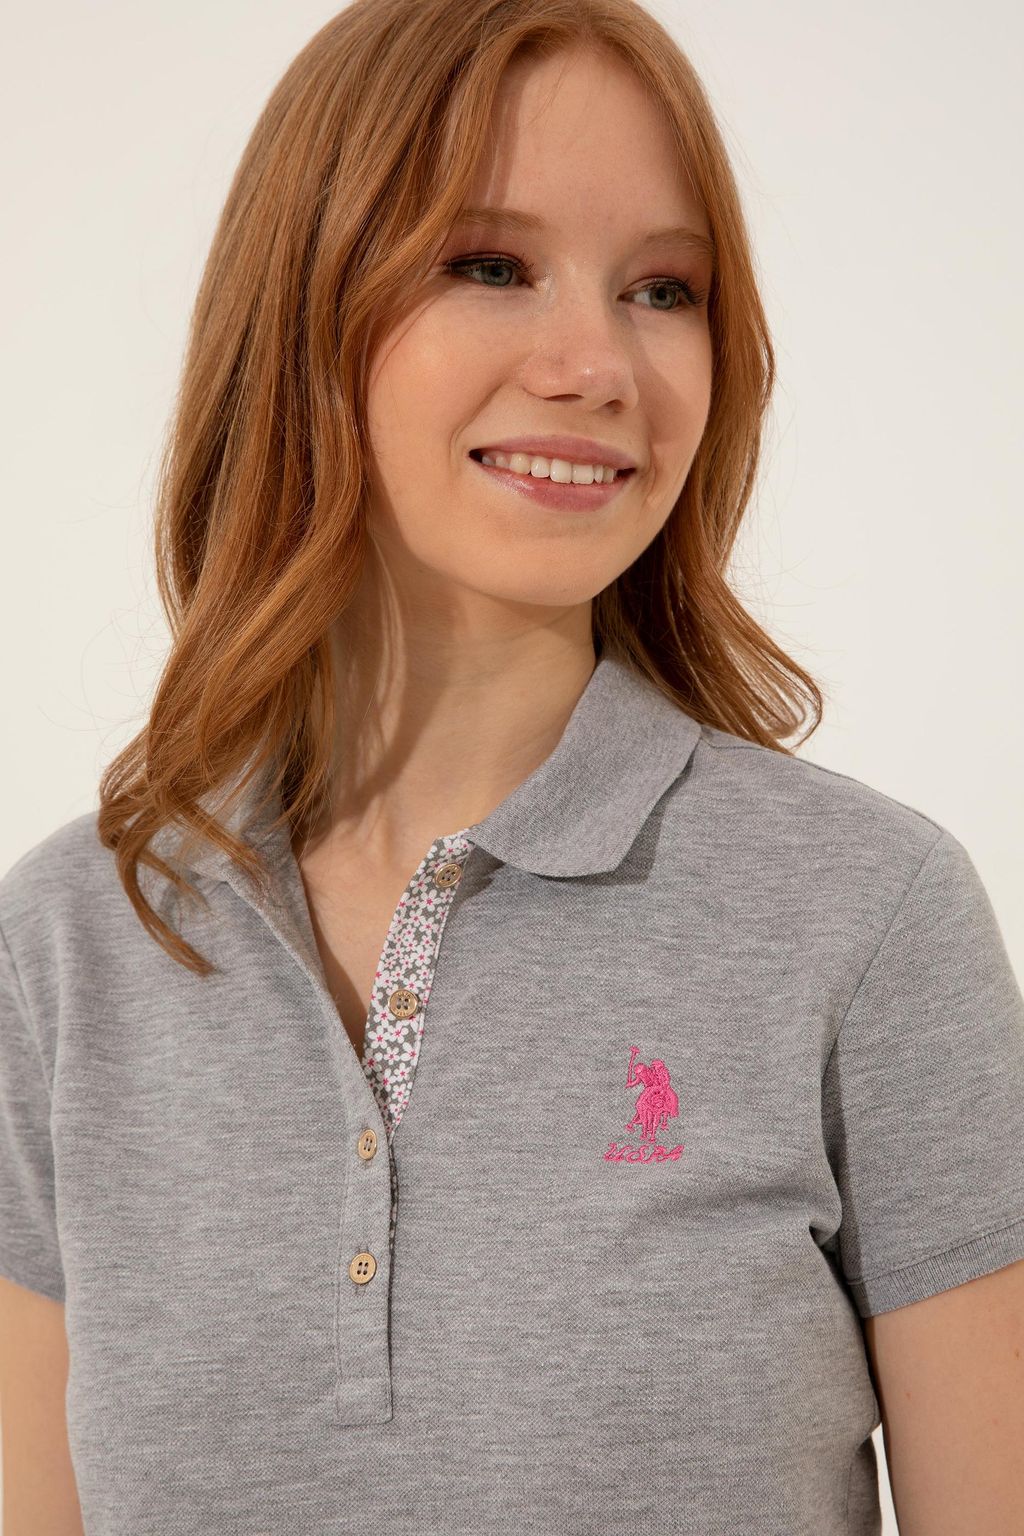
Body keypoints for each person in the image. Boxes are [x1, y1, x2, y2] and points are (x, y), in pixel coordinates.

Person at [2, 2, 1022, 1533]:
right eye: (489, 264)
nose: (597, 364)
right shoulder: (72, 945)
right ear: (304, 303)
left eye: (663, 289)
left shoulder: (865, 920)